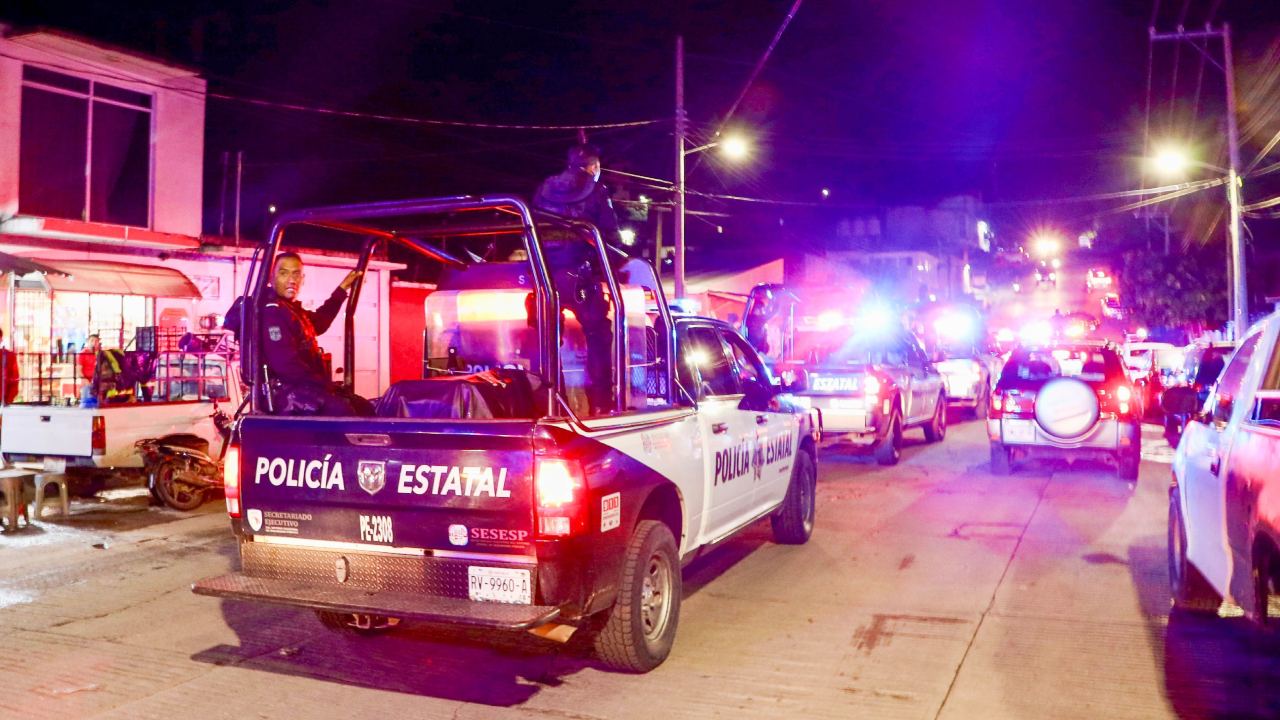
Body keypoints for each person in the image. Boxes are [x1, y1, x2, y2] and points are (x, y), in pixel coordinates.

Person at [532, 144, 624, 414]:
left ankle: (551, 406)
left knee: (547, 340)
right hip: (580, 274)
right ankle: (602, 405)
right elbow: (609, 231)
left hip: (545, 275)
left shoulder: (545, 188)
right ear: (594, 167)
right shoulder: (597, 190)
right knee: (598, 335)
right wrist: (619, 260)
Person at [231, 252, 371, 416]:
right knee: (347, 412)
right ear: (270, 278)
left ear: (302, 279)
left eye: (296, 274)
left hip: (301, 390)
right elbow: (286, 366)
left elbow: (319, 323)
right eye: (284, 273)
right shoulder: (271, 312)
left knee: (362, 406)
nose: (292, 280)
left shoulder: (289, 309)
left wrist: (341, 290)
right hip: (288, 398)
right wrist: (324, 385)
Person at [0, 329, 18, 405]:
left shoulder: (9, 356)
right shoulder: (9, 356)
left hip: (3, 400)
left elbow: (14, 379)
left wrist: (8, 399)